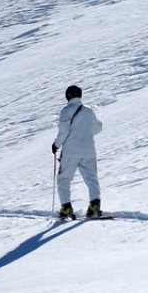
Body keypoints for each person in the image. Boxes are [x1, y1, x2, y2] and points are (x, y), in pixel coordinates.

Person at [52, 85, 104, 219]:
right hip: (89, 150)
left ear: (68, 95)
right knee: (91, 179)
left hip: (71, 151)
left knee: (64, 179)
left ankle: (66, 208)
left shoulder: (66, 111)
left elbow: (63, 132)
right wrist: (84, 131)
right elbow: (98, 128)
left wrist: (56, 145)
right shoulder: (89, 111)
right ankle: (94, 205)